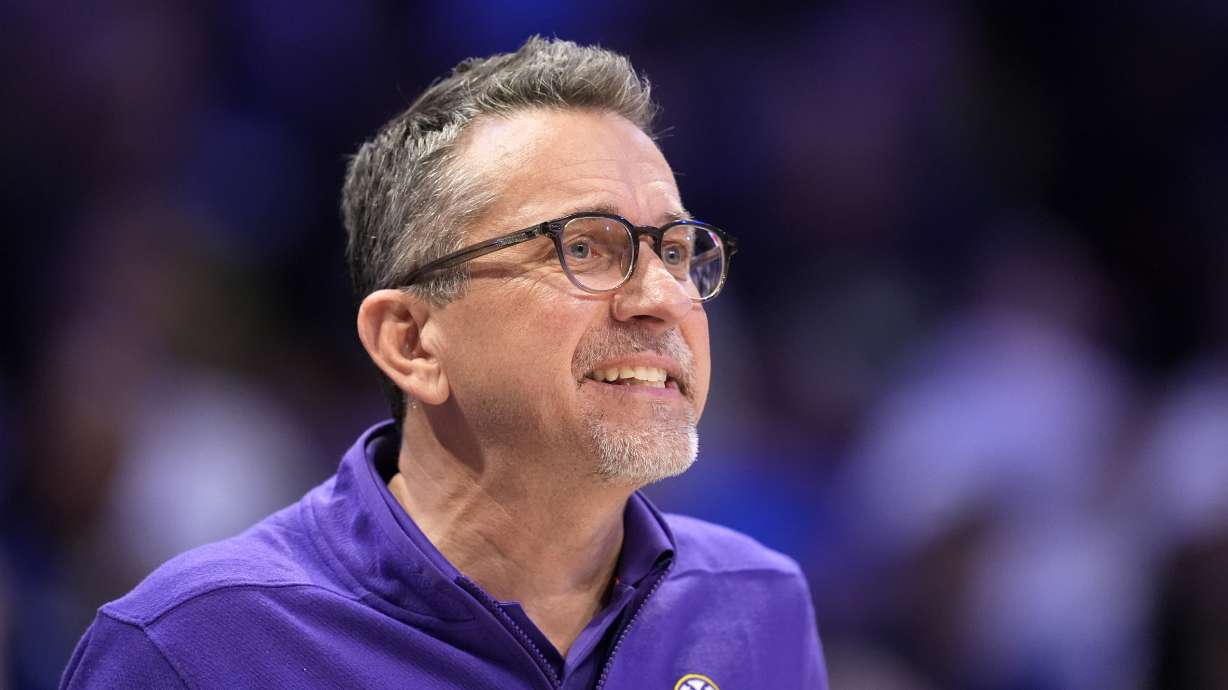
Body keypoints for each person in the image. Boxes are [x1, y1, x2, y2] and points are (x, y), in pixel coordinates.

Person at [60, 37, 827, 689]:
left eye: (675, 251)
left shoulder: (757, 607)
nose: (661, 296)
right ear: (411, 341)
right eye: (586, 248)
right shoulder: (195, 649)